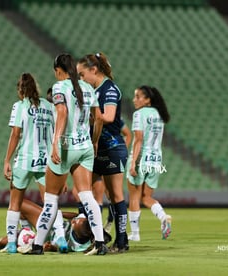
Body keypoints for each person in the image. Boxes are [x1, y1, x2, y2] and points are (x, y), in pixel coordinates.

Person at [22, 53, 107, 256]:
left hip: (66, 146)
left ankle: (37, 246)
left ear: (58, 70)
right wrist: (94, 141)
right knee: (87, 196)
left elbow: (62, 113)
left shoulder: (60, 87)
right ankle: (100, 243)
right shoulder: (88, 87)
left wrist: (55, 144)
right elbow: (99, 119)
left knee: (51, 200)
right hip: (85, 146)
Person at [2, 73, 66, 254]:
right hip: (46, 160)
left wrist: (7, 160)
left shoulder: (20, 106)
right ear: (36, 88)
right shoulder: (49, 106)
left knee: (15, 202)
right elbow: (57, 134)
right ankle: (60, 237)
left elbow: (15, 134)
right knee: (51, 201)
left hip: (24, 159)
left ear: (20, 90)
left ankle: (13, 244)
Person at [77, 52, 129, 253]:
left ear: (93, 70)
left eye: (82, 74)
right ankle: (95, 237)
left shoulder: (109, 89)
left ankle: (122, 241)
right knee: (86, 191)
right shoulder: (94, 89)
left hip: (112, 147)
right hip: (95, 147)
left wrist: (92, 117)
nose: (81, 79)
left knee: (115, 194)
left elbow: (108, 116)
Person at [0, 199, 111, 252]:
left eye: (74, 224)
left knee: (16, 237)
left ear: (81, 234)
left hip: (46, 236)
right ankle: (26, 227)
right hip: (50, 223)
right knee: (20, 206)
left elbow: (54, 248)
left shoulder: (79, 246)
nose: (74, 221)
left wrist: (52, 248)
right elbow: (75, 216)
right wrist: (58, 213)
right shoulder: (85, 222)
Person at [126, 85, 172, 241]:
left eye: (138, 97)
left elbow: (138, 140)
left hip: (141, 158)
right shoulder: (159, 115)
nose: (134, 100)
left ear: (147, 100)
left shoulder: (139, 114)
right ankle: (163, 217)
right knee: (146, 197)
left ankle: (135, 234)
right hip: (156, 159)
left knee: (134, 196)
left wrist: (133, 164)